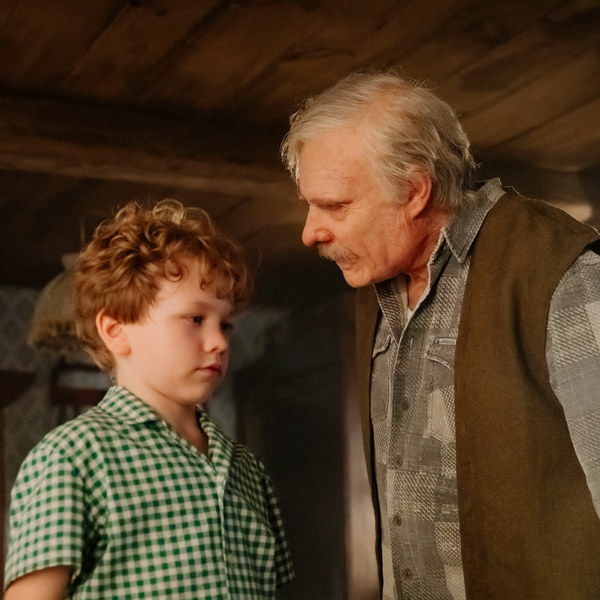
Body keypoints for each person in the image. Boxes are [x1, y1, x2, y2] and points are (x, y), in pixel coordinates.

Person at [281, 69, 600, 600]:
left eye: (335, 205)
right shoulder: (375, 288)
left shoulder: (563, 274)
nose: (310, 232)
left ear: (414, 191)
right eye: (309, 205)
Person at [4, 200, 294, 599]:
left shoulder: (247, 468)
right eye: (195, 319)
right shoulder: (72, 456)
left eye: (225, 324)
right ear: (116, 330)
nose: (219, 341)